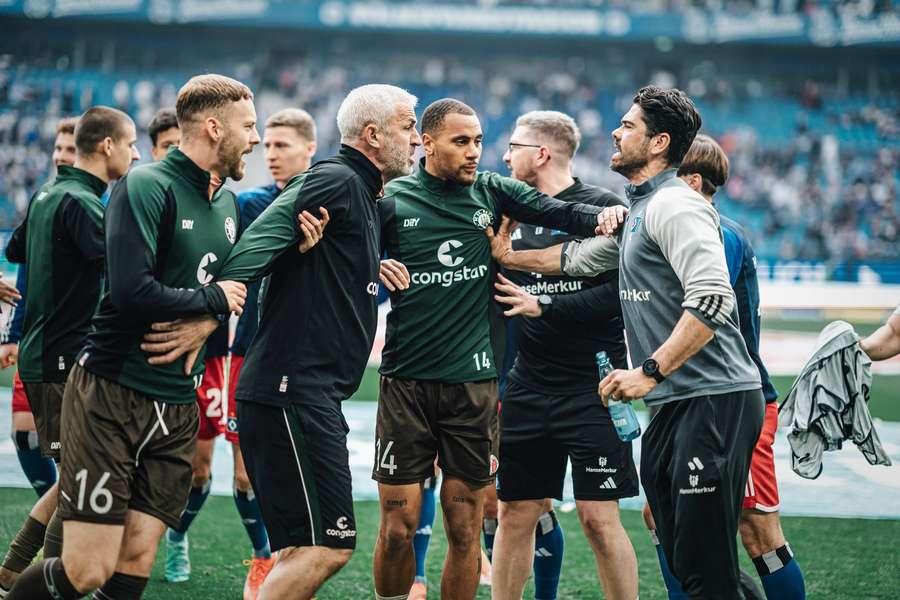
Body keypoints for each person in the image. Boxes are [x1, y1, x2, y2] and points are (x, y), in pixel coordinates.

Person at [490, 86, 765, 599]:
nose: (615, 132)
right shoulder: (641, 208)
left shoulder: (676, 205)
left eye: (629, 126)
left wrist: (648, 371)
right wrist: (508, 257)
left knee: (705, 566)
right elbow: (574, 260)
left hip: (713, 399)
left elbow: (711, 300)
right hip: (673, 404)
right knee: (688, 559)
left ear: (660, 142)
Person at [6, 73, 254, 600]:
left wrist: (214, 311)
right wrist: (214, 302)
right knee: (84, 570)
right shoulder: (146, 186)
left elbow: (232, 289)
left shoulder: (229, 206)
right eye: (248, 127)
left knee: (136, 558)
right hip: (113, 396)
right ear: (214, 127)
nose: (253, 139)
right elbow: (131, 289)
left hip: (177, 406)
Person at [372, 98, 606, 600]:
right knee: (396, 526)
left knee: (465, 528)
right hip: (404, 385)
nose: (475, 152)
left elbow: (559, 210)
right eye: (461, 142)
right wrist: (372, 266)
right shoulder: (391, 202)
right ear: (427, 143)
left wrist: (609, 216)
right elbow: (347, 257)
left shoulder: (493, 192)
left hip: (473, 388)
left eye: (479, 141)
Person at [213, 84, 422, 600]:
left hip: (299, 391)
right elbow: (249, 251)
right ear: (373, 135)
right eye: (409, 126)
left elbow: (304, 261)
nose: (416, 139)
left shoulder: (367, 196)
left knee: (298, 548)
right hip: (293, 391)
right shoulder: (336, 179)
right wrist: (204, 312)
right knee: (330, 545)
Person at [633, 134, 804, 600]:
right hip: (692, 397)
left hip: (731, 400)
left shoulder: (713, 231)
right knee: (660, 516)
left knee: (758, 530)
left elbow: (702, 308)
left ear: (688, 180)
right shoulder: (687, 223)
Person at [162, 108, 319, 600]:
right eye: (265, 145)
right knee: (213, 467)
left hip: (303, 359)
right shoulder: (245, 204)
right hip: (244, 354)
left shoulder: (330, 201)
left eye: (282, 146)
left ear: (310, 149)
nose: (270, 155)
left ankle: (272, 558)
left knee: (276, 470)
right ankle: (199, 541)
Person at [489, 110, 639, 600]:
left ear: (541, 153)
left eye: (513, 146)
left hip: (595, 387)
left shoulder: (603, 208)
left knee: (599, 519)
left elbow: (616, 295)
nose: (505, 155)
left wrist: (544, 304)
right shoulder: (509, 210)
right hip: (529, 384)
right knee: (515, 513)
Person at [0, 107, 140, 598]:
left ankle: (17, 572)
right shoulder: (83, 204)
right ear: (107, 147)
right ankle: (35, 580)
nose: (135, 153)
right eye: (131, 143)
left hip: (45, 357)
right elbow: (126, 271)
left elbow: (15, 251)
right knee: (80, 485)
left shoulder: (46, 194)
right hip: (63, 361)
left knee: (72, 483)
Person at [0, 116, 78, 504]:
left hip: (79, 347)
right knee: (26, 434)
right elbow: (24, 271)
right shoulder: (44, 198)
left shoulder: (103, 205)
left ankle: (67, 532)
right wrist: (11, 335)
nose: (61, 157)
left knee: (71, 449)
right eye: (58, 149)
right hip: (37, 340)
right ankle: (53, 519)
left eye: (71, 150)